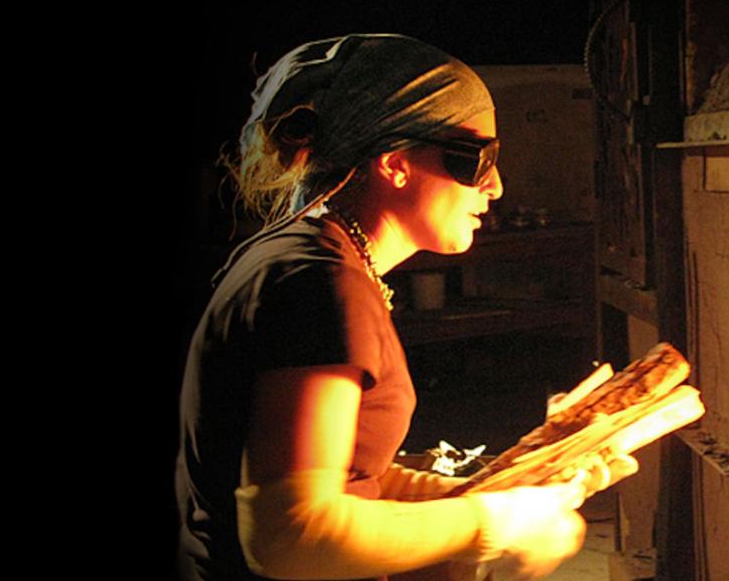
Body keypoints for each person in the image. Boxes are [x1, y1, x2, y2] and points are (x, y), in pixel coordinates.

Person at [176, 34, 637, 581]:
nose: (494, 186)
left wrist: (507, 489)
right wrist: (489, 522)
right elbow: (292, 535)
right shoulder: (317, 284)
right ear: (394, 163)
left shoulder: (311, 259)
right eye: (475, 159)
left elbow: (351, 478)